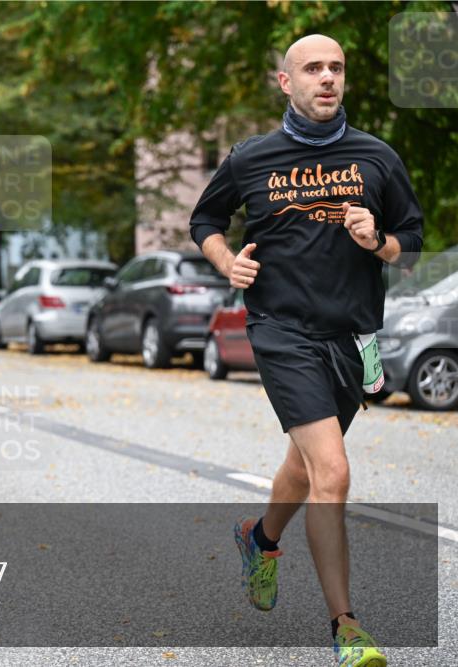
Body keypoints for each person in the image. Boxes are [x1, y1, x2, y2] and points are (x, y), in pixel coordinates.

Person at [189, 35, 422, 667]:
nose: (327, 78)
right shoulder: (251, 159)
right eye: (312, 68)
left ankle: (260, 539)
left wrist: (378, 242)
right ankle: (346, 626)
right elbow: (204, 222)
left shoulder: (376, 157)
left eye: (336, 68)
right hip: (280, 331)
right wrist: (225, 260)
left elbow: (410, 238)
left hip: (349, 336)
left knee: (306, 465)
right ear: (284, 82)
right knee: (334, 472)